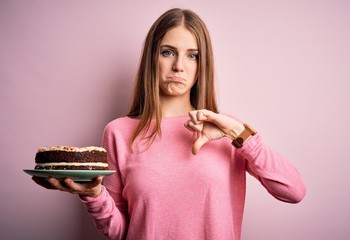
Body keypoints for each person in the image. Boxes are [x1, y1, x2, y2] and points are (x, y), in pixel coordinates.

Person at [33, 8, 306, 240]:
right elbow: (121, 231)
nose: (179, 66)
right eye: (168, 52)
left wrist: (238, 133)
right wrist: (93, 194)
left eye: (192, 55)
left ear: (202, 65)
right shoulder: (118, 132)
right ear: (153, 58)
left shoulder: (229, 131)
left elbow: (294, 192)